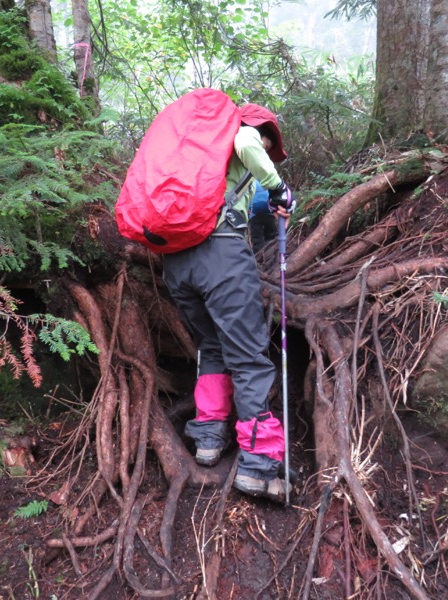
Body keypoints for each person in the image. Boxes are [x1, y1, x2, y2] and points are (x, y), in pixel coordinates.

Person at [162, 102, 294, 503]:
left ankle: (208, 439)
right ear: (262, 130)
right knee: (249, 356)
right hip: (220, 258)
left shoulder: (195, 151)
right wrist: (277, 185)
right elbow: (246, 142)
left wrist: (268, 202)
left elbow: (248, 202)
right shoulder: (240, 132)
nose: (267, 150)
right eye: (268, 143)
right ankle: (257, 464)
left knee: (212, 347)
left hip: (177, 261)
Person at [248, 181, 278, 253]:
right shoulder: (266, 181)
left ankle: (260, 258)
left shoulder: (250, 182)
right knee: (271, 235)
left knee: (257, 239)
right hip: (269, 212)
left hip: (254, 214)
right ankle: (271, 254)